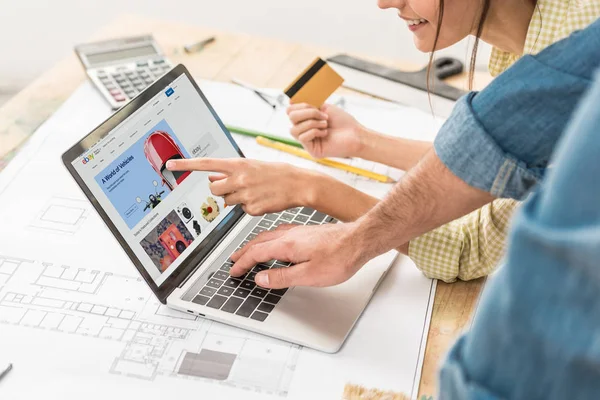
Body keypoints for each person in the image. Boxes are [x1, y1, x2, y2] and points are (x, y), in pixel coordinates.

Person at [168, 0, 600, 283]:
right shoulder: (524, 42)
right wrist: (362, 142)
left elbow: (466, 245)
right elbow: (504, 172)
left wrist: (311, 189)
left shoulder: (573, 43)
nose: (386, 1)